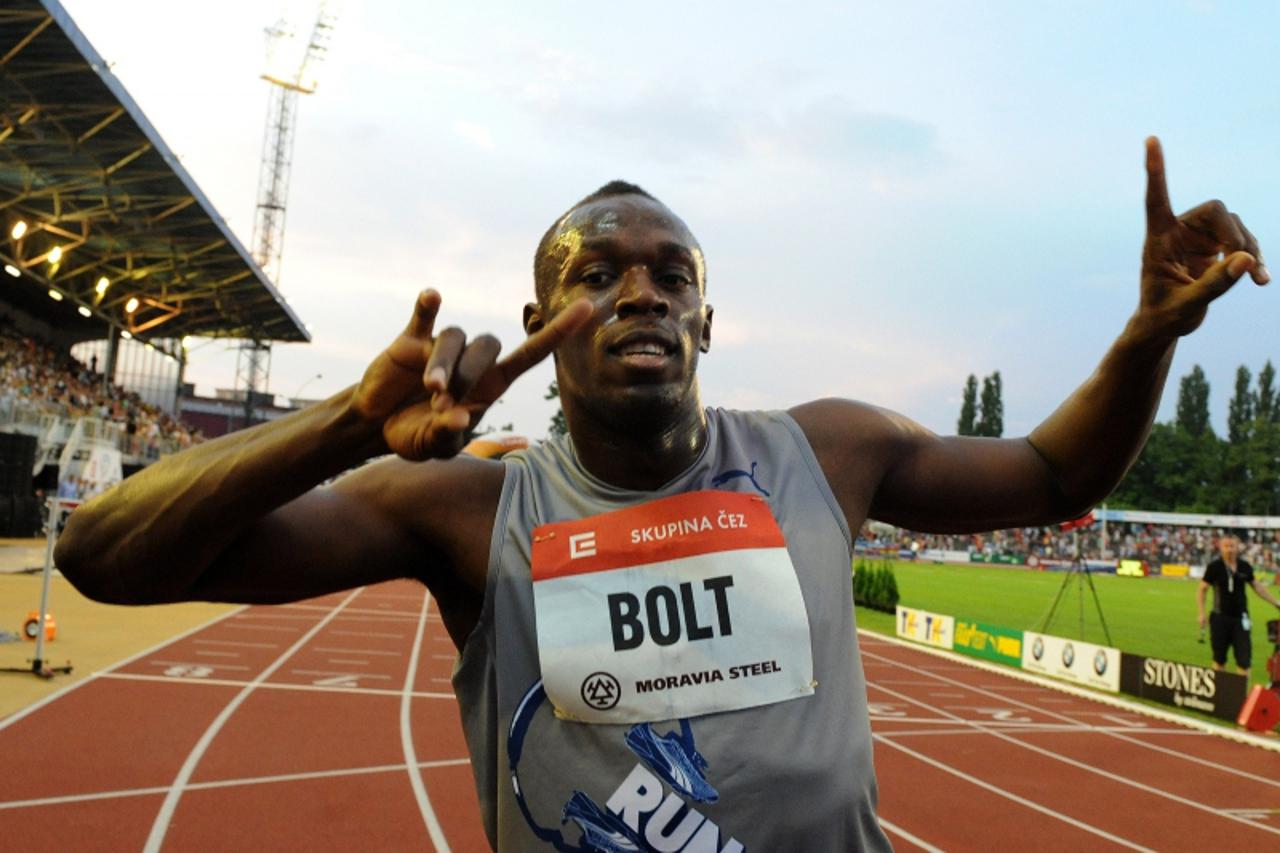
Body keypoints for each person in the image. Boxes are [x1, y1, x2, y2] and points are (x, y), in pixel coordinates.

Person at [54, 138, 1265, 851]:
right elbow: (105, 558)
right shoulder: (464, 512)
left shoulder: (827, 453)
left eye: (669, 274)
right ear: (539, 326)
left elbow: (1053, 474)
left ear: (704, 318)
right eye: (598, 275)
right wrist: (341, 427)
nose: (639, 291)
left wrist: (1146, 337)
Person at [1197, 534, 1280, 675]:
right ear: (1220, 548)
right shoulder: (1214, 567)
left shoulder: (1244, 566)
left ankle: (1241, 696)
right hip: (1219, 618)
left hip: (1241, 619)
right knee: (1219, 659)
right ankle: (1220, 693)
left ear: (1238, 547)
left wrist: (1276, 602)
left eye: (1232, 546)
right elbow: (1202, 589)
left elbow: (1257, 586)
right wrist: (1201, 613)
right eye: (1226, 546)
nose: (1229, 549)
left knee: (1244, 660)